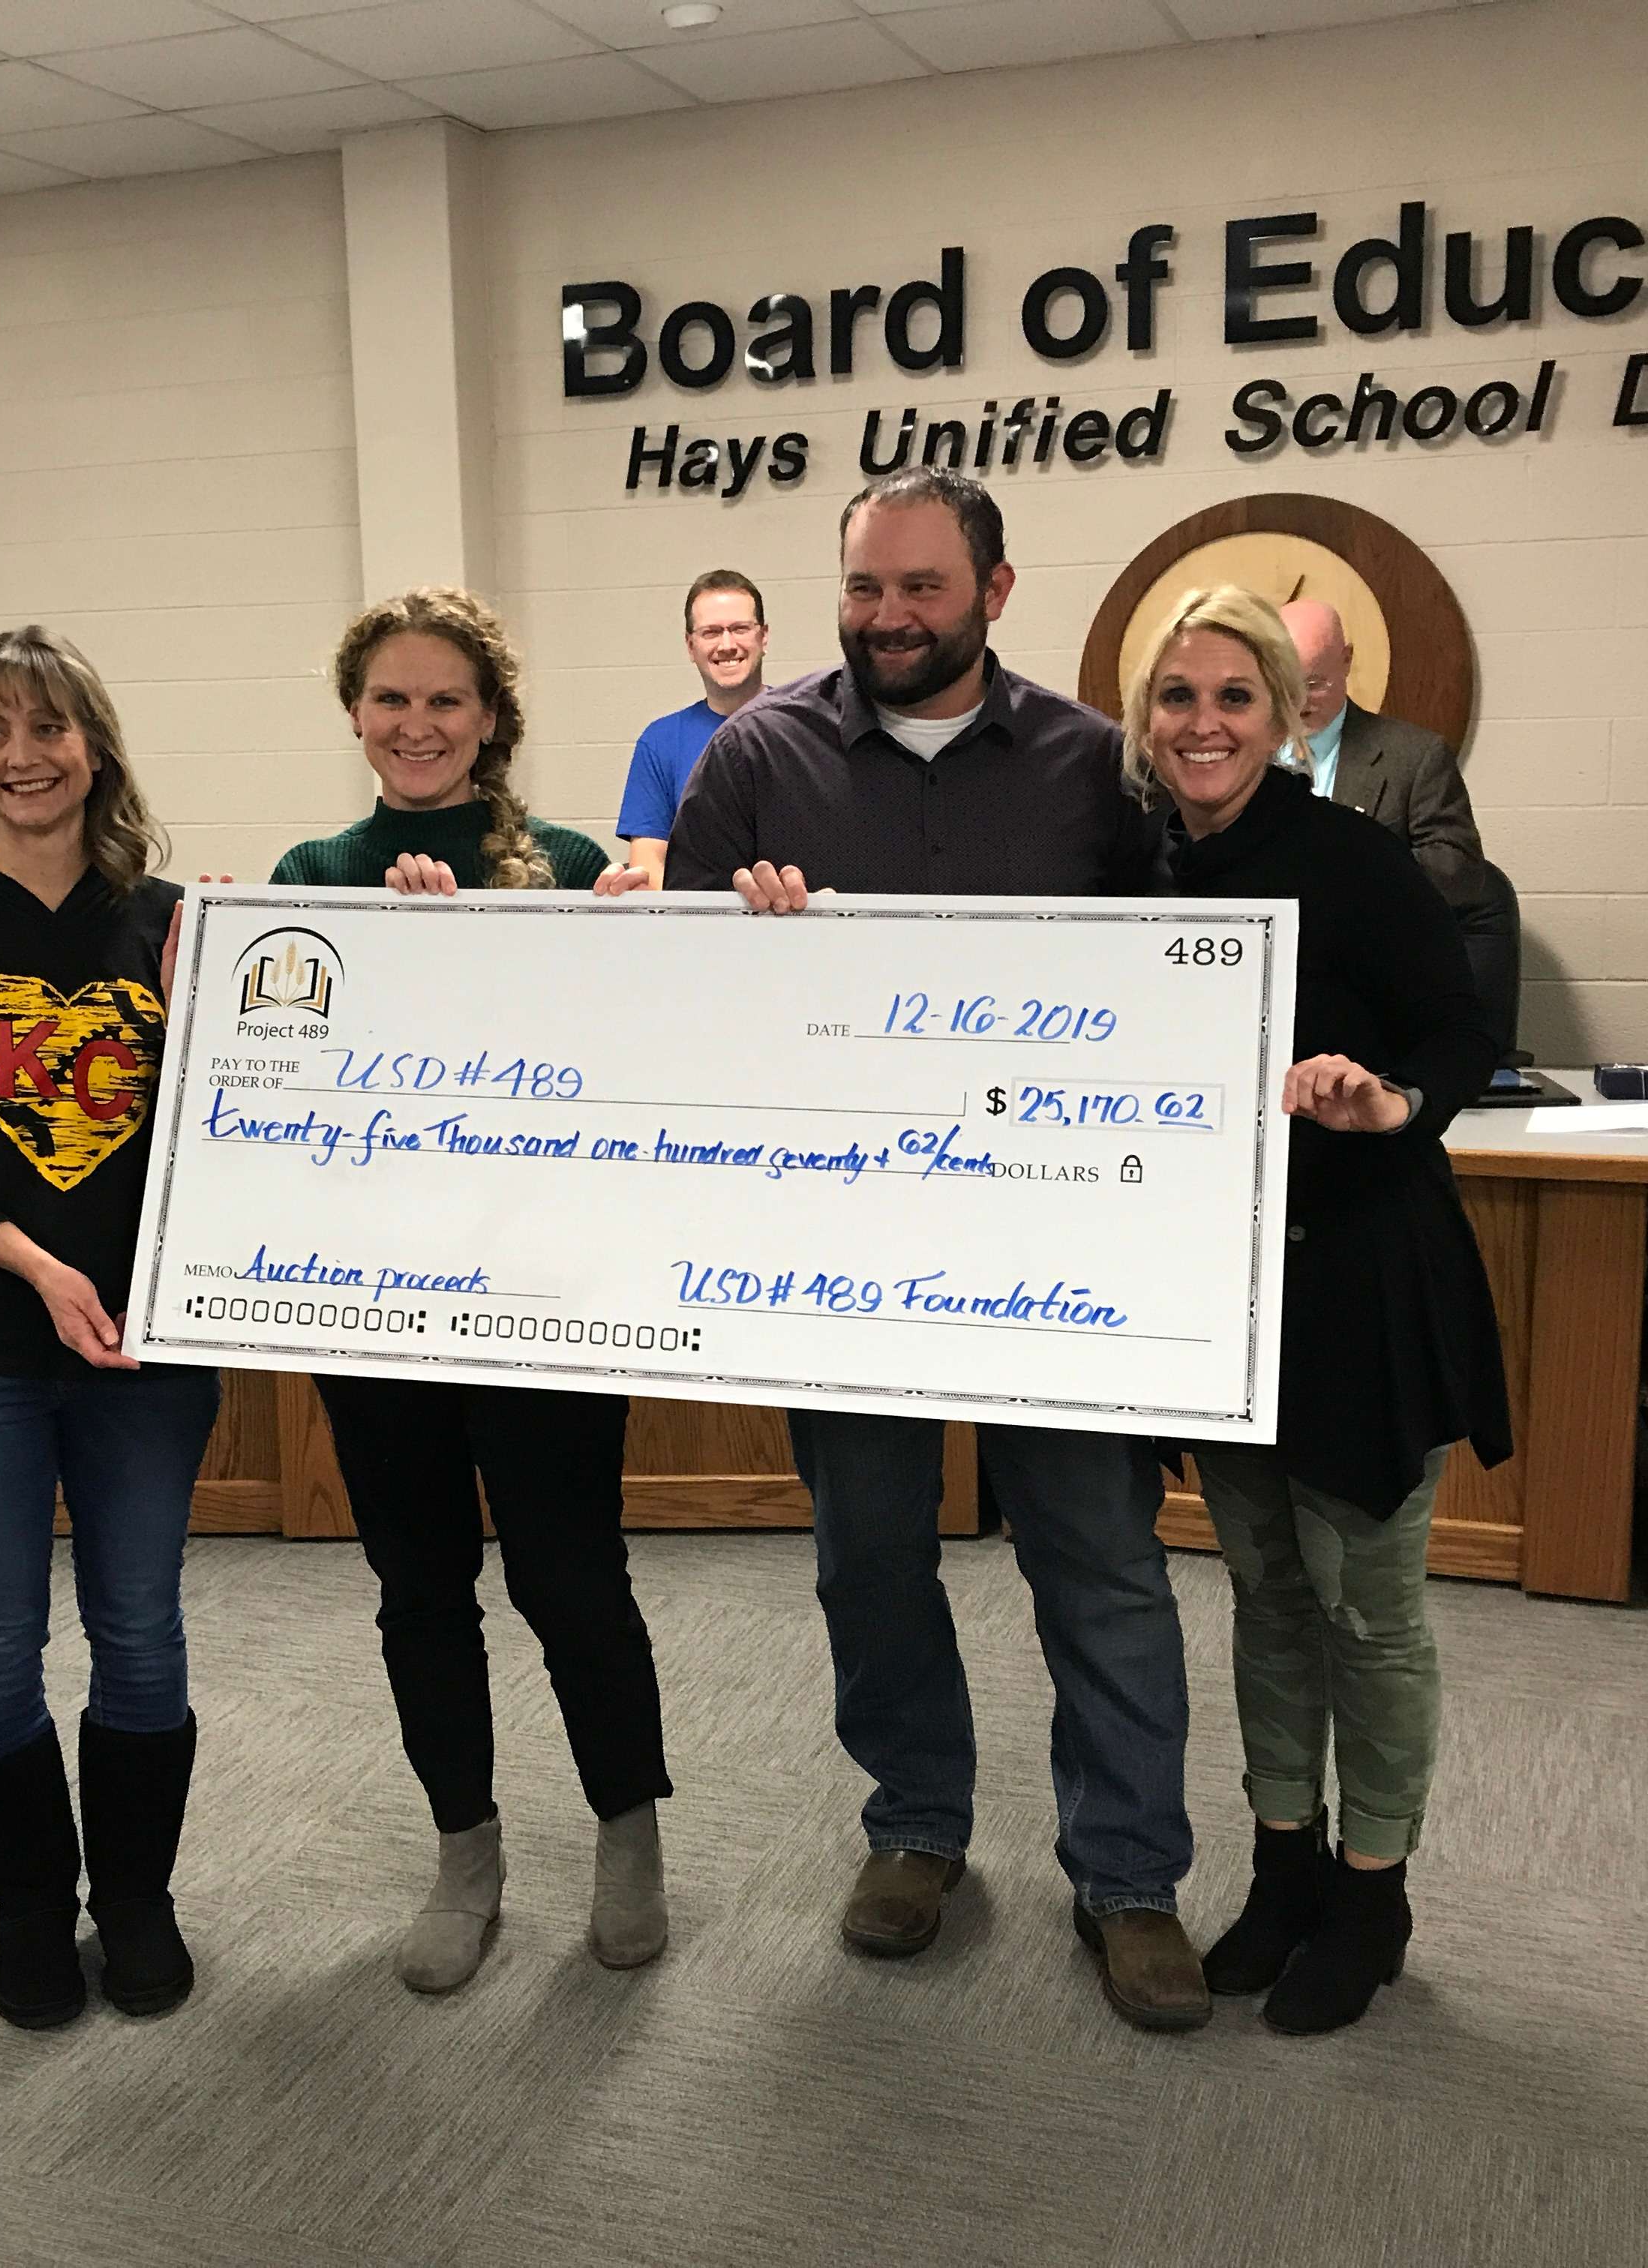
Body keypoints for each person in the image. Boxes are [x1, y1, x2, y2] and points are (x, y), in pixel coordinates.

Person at [665, 469, 1205, 2032]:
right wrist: (739, 951)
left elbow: (1182, 981)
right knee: (869, 1555)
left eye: (923, 588)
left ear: (996, 590)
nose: (890, 617)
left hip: (1059, 1246)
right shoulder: (756, 758)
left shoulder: (1093, 767)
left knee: (1098, 1563)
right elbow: (670, 1014)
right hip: (836, 1250)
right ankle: (915, 1826)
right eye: (864, 589)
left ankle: (1130, 1878)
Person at [271, 586, 673, 1994]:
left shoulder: (563, 865)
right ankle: (468, 1852)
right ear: (354, 714)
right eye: (391, 698)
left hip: (545, 1291)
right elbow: (278, 1088)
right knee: (420, 1586)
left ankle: (630, 1838)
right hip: (373, 1303)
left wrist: (634, 936)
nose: (418, 723)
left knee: (572, 1576)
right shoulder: (311, 874)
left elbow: (631, 1075)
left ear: (491, 718)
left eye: (446, 699)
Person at [1124, 585, 1511, 2036]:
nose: (1202, 723)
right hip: (1217, 1301)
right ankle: (1281, 1867)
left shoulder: (1354, 859)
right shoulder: (1137, 870)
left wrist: (1393, 1099)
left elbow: (1463, 1025)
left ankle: (1372, 1889)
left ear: (1289, 710)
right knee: (1270, 1597)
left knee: (1370, 1614)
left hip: (1358, 1283)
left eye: (1233, 694)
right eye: (1176, 696)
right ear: (1142, 717)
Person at [0, 625, 220, 2029]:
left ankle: (135, 1898)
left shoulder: (172, 920)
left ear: (95, 743)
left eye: (46, 728)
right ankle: (26, 1909)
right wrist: (37, 1264)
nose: (21, 757)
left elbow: (239, 1113)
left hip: (145, 1345)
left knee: (139, 1626)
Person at [1277, 598, 1485, 905]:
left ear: (1346, 659)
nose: (1299, 701)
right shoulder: (1242, 751)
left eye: (1313, 683)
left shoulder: (1415, 757)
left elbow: (1459, 871)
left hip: (1369, 938)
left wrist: (1358, 869)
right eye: (1285, 684)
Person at [616, 570, 770, 885]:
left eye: (740, 629)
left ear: (763, 636)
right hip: (695, 929)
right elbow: (649, 869)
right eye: (711, 632)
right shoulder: (660, 743)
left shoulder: (804, 729)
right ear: (690, 646)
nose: (727, 645)